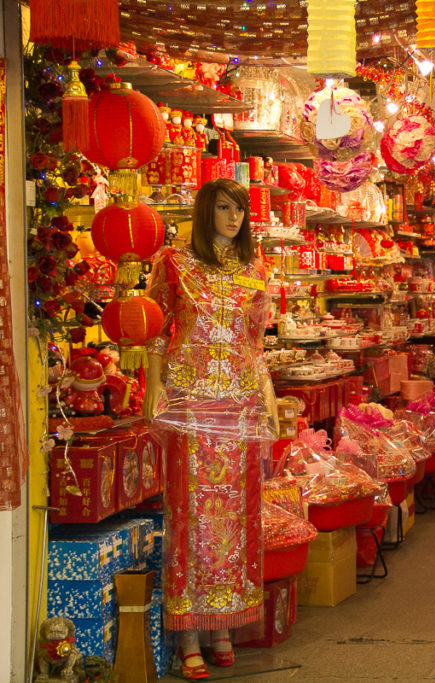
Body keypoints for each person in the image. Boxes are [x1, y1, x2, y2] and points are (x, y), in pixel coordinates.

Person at [143, 178, 278, 679]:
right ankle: (189, 634)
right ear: (205, 212)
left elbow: (256, 347)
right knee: (191, 515)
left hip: (238, 407)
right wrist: (154, 389)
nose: (234, 217)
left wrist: (267, 403)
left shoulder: (255, 273)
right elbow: (158, 334)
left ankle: (223, 624)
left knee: (237, 517)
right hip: (190, 404)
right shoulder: (176, 264)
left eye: (240, 209)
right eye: (223, 207)